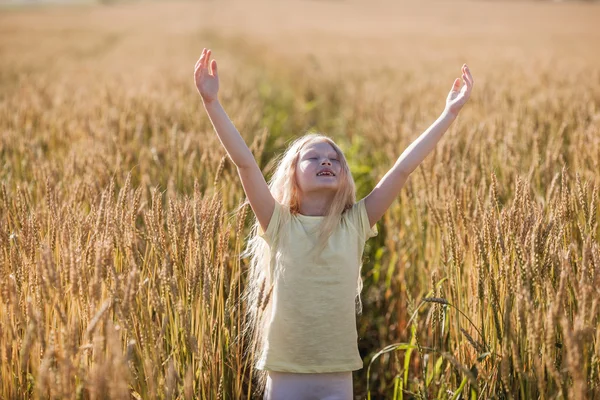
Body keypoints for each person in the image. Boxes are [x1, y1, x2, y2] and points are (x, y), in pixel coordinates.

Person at [194, 48, 473, 400]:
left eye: (334, 159)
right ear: (292, 175)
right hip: (285, 373)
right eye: (313, 157)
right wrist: (211, 102)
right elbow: (246, 164)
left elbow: (403, 168)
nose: (326, 162)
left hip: (338, 373)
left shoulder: (354, 224)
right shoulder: (279, 223)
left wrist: (449, 113)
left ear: (344, 176)